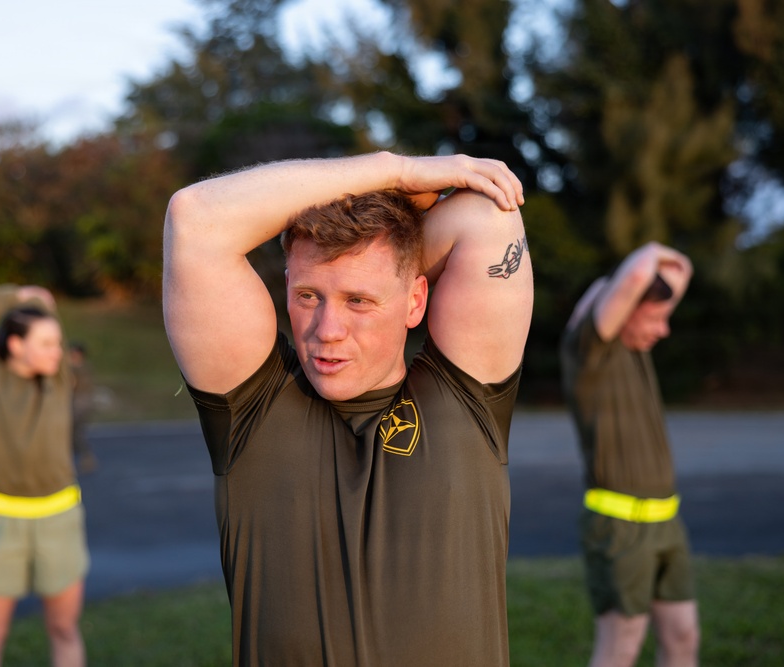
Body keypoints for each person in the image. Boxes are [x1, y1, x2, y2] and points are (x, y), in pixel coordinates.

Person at [162, 151, 532, 665]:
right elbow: (196, 218)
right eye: (309, 295)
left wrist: (389, 245)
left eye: (359, 300)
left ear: (415, 301)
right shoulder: (253, 410)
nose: (327, 330)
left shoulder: (464, 399)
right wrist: (394, 172)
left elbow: (488, 213)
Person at [559, 242, 699, 667]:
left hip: (667, 522)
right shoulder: (589, 354)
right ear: (625, 309)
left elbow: (682, 270)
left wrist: (668, 267)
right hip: (620, 529)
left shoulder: (638, 350)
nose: (663, 330)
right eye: (656, 317)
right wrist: (654, 249)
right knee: (621, 648)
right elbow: (636, 276)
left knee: (682, 636)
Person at [0, 285, 89, 667]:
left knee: (64, 630)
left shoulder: (57, 380)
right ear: (14, 345)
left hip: (58, 522)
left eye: (57, 343)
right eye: (45, 343)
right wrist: (16, 296)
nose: (57, 352)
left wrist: (42, 305)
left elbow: (46, 307)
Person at [68, 342, 98, 474]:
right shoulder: (80, 368)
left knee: (76, 434)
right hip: (79, 403)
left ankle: (86, 458)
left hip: (79, 405)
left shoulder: (79, 369)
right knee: (74, 434)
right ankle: (85, 459)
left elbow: (72, 384)